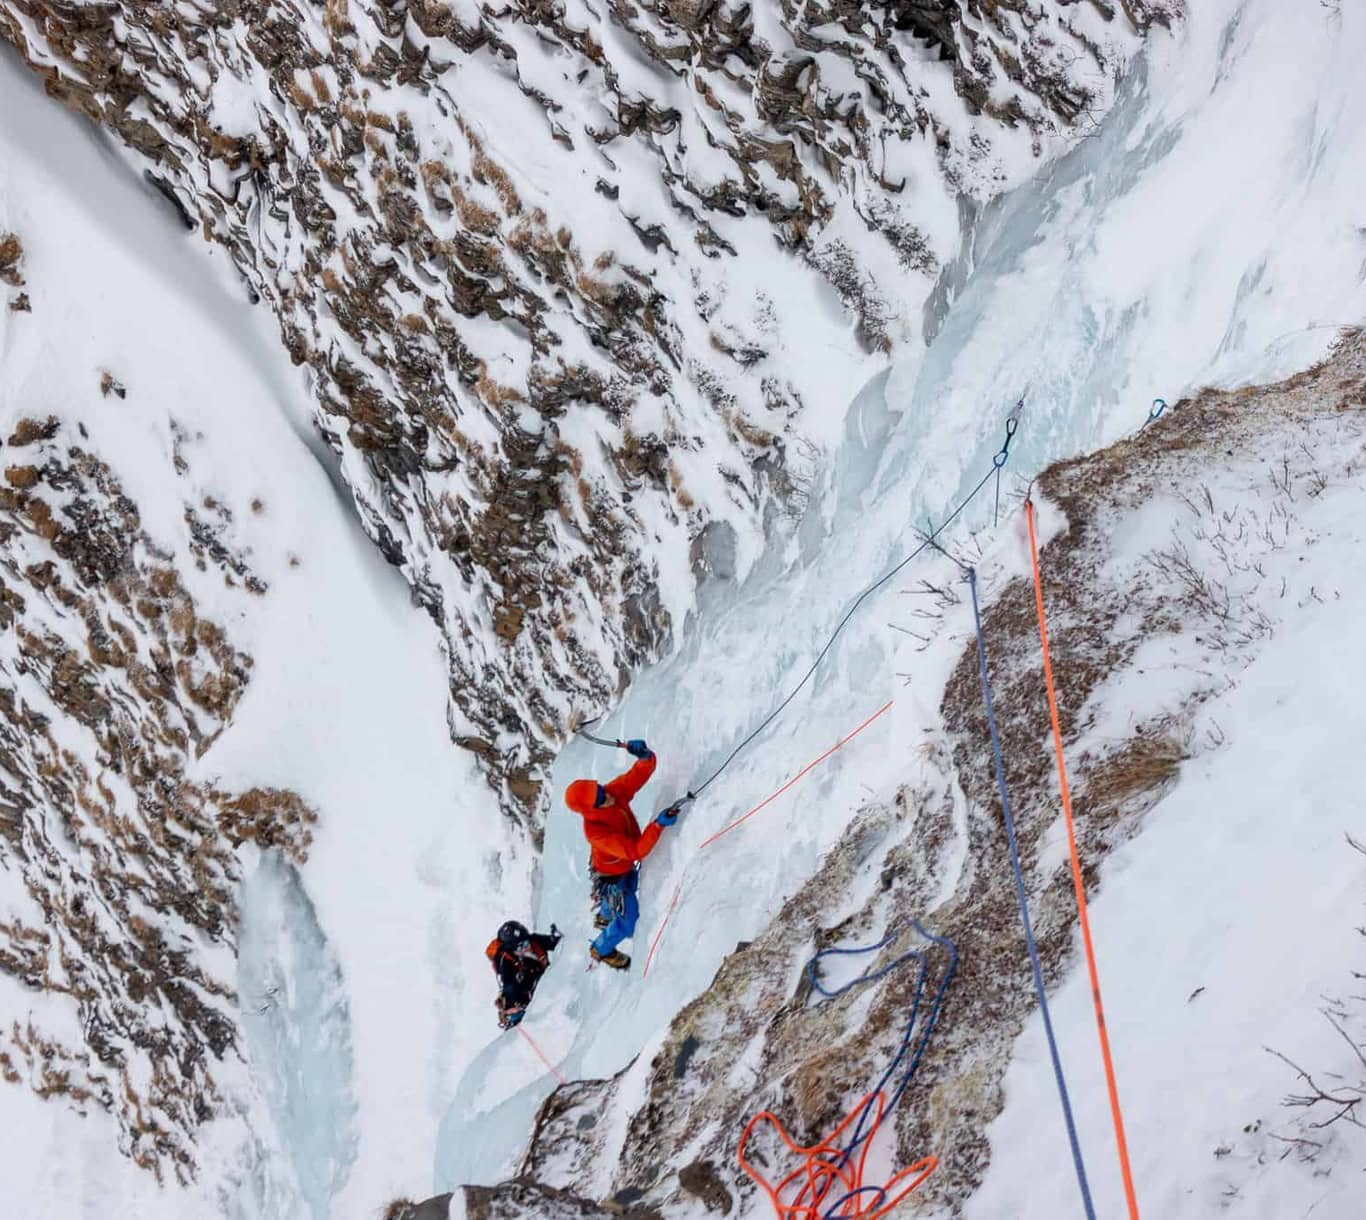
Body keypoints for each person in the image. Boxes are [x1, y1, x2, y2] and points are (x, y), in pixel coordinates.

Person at [563, 738, 684, 971]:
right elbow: (635, 851)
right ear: (589, 809)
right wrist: (658, 825)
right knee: (628, 923)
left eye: (600, 790)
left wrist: (645, 757)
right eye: (600, 800)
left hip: (615, 867)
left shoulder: (612, 792)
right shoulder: (595, 831)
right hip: (613, 878)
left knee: (618, 900)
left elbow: (636, 777)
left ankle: (605, 915)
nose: (606, 796)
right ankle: (601, 948)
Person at [486, 919, 562, 1029]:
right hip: (523, 988)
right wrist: (513, 1009)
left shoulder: (533, 941)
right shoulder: (505, 961)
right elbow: (508, 986)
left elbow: (553, 942)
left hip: (545, 980)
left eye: (526, 943)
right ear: (512, 950)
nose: (527, 947)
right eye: (521, 947)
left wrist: (555, 937)